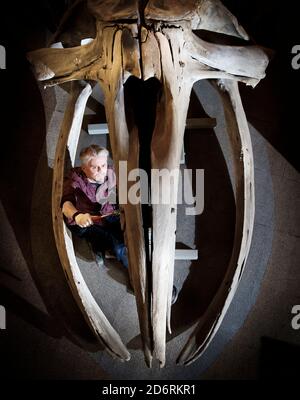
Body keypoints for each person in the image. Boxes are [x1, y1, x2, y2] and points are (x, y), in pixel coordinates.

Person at [61, 145, 128, 268]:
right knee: (118, 247)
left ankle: (104, 246)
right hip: (88, 221)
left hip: (109, 214)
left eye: (103, 165)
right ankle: (98, 246)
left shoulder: (112, 172)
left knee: (132, 235)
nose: (101, 170)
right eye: (94, 167)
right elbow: (66, 204)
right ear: (84, 168)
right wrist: (77, 216)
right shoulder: (74, 179)